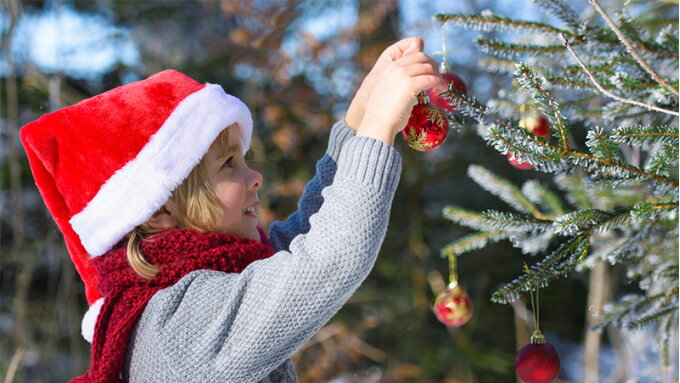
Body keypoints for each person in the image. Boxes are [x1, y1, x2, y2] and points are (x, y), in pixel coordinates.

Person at [20, 37, 445, 382]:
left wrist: (357, 125)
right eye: (229, 165)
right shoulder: (178, 328)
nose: (255, 176)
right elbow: (324, 262)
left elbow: (302, 238)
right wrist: (378, 131)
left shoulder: (198, 283)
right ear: (157, 209)